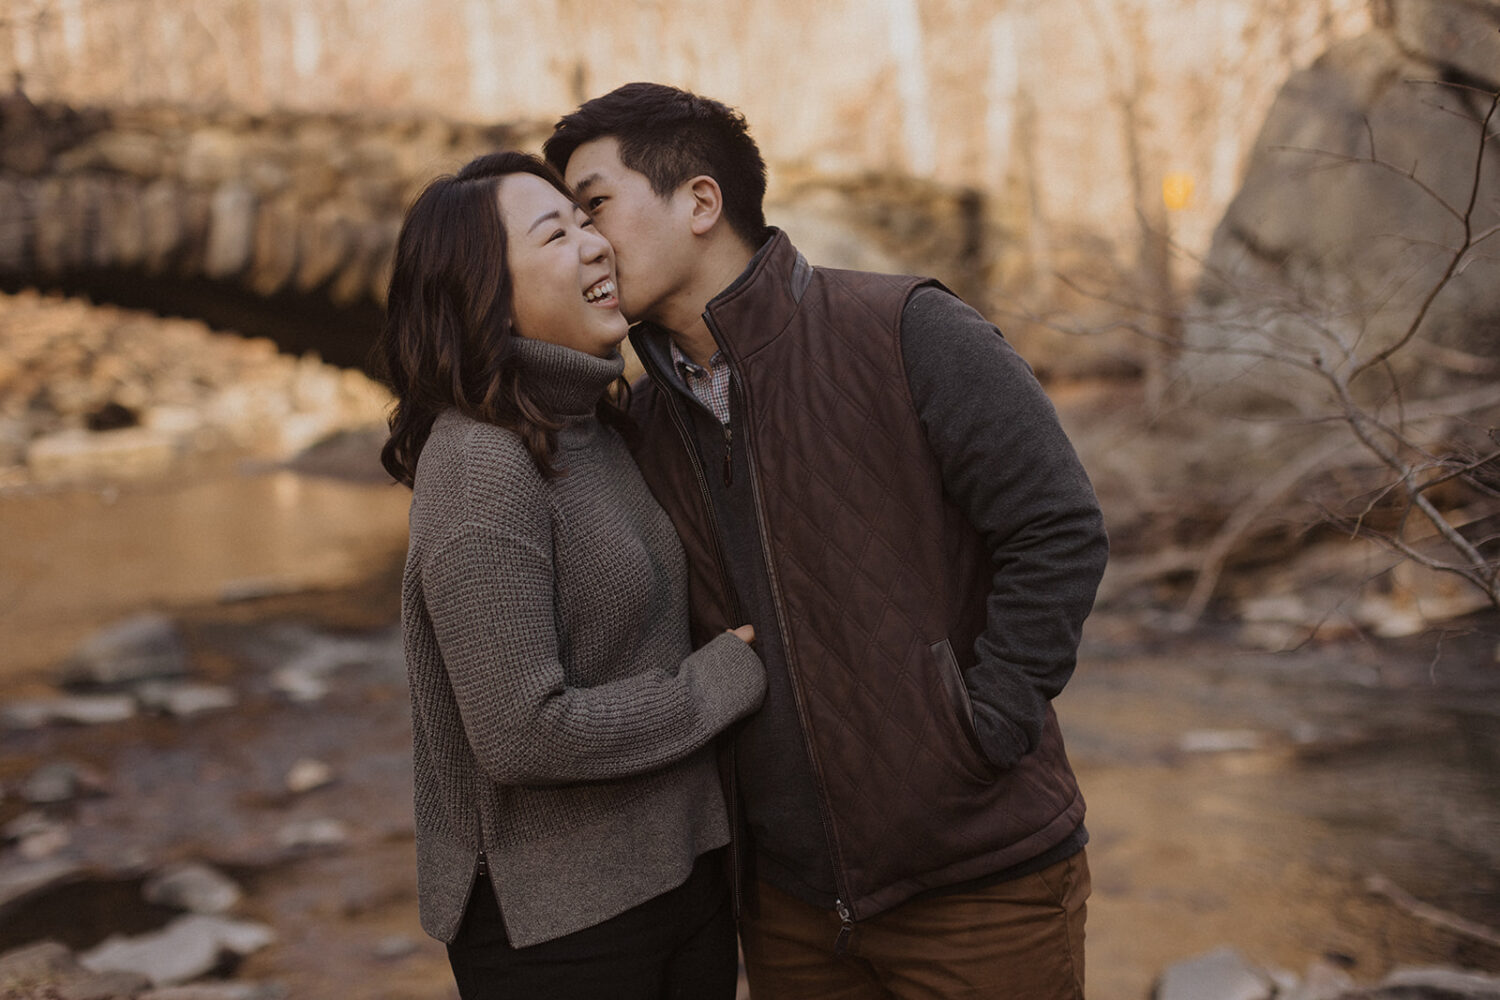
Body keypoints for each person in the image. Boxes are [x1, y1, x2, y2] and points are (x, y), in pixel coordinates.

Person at [544, 84, 1109, 999]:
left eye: (596, 204)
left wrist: (984, 727)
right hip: (789, 915)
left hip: (979, 885)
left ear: (698, 202)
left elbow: (1058, 529)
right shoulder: (642, 423)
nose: (587, 243)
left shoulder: (904, 329)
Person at [375, 149, 767, 1000]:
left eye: (588, 222)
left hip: (682, 879)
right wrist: (720, 680)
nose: (597, 246)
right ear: (483, 292)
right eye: (558, 234)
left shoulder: (597, 428)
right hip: (561, 927)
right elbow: (522, 731)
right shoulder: (482, 462)